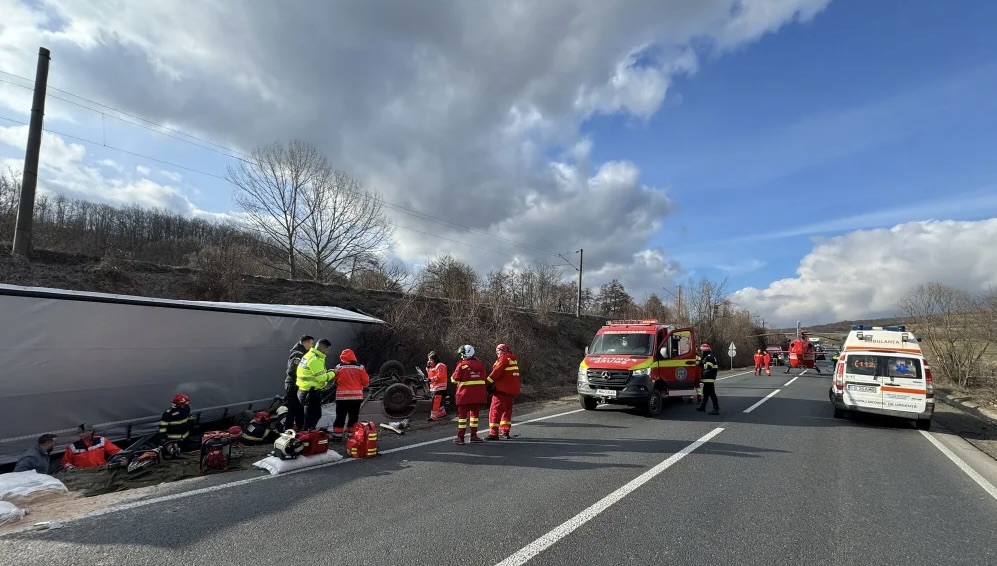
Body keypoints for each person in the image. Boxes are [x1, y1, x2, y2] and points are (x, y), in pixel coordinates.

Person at [450, 344, 488, 445]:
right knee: (474, 416)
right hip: (478, 396)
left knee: (462, 417)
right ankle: (474, 436)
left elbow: (454, 379)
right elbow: (484, 378)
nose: (461, 356)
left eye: (462, 354)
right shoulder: (481, 365)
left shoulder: (462, 365)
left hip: (464, 396)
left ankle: (460, 437)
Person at [296, 338, 337, 430]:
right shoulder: (315, 359)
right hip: (310, 393)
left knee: (311, 417)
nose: (328, 352)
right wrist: (334, 373)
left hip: (303, 390)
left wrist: (328, 373)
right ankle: (307, 437)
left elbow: (317, 374)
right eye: (327, 349)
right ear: (323, 348)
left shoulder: (309, 355)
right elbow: (321, 377)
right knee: (312, 417)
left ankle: (307, 434)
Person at [331, 349, 370, 441]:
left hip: (341, 398)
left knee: (340, 416)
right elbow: (366, 382)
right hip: (356, 398)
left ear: (342, 358)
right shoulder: (360, 367)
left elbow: (335, 380)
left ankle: (337, 436)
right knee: (353, 417)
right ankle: (351, 435)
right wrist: (362, 386)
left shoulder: (339, 367)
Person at [486, 343, 521, 440]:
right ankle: (505, 431)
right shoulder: (513, 359)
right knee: (507, 411)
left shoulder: (503, 359)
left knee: (495, 411)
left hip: (501, 390)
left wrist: (485, 384)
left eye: (498, 351)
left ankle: (493, 433)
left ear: (503, 351)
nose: (497, 353)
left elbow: (495, 374)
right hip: (511, 390)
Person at [286, 335, 315, 430]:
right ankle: (288, 431)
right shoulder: (298, 353)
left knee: (299, 409)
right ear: (306, 343)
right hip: (294, 385)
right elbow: (292, 371)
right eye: (311, 343)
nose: (312, 346)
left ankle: (299, 429)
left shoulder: (303, 352)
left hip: (297, 385)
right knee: (293, 409)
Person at [696, 343, 720, 415]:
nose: (701, 352)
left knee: (712, 394)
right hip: (708, 378)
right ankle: (703, 407)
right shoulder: (708, 356)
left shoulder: (709, 357)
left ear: (705, 351)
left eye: (702, 351)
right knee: (706, 393)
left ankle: (716, 409)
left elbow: (707, 366)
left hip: (709, 378)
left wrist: (699, 364)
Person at [426, 351, 449, 421]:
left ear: (435, 360)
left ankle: (433, 416)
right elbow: (430, 375)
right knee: (439, 402)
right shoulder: (432, 367)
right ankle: (442, 413)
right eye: (429, 360)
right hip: (434, 387)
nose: (429, 362)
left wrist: (431, 379)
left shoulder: (441, 366)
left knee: (435, 402)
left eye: (431, 360)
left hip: (440, 387)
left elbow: (440, 376)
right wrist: (428, 368)